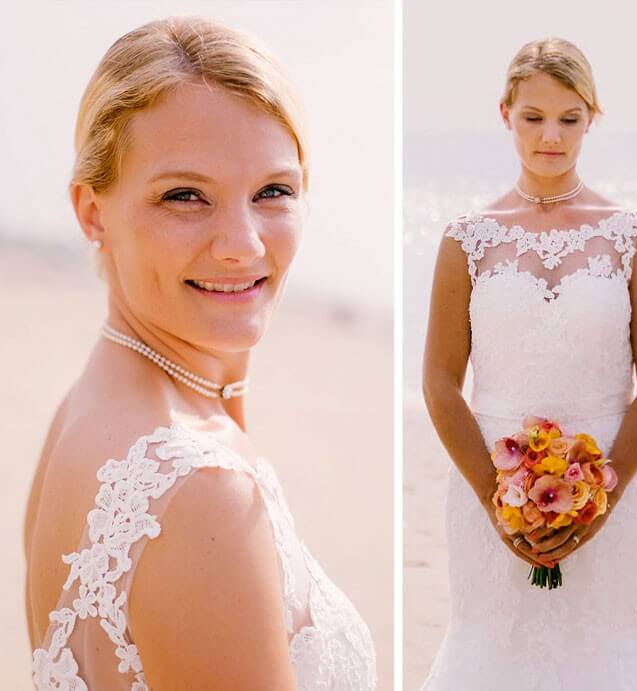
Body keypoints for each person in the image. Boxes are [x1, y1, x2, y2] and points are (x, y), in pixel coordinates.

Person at [23, 16, 377, 691]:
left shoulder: (85, 410)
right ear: (93, 212)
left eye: (273, 190)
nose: (242, 243)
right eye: (185, 195)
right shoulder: (200, 492)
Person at [420, 37, 637, 690]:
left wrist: (607, 491)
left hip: (612, 487)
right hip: (494, 484)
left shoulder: (635, 236)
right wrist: (492, 495)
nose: (551, 136)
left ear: (592, 118)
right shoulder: (466, 240)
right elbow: (440, 382)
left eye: (569, 118)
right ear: (504, 113)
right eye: (534, 117)